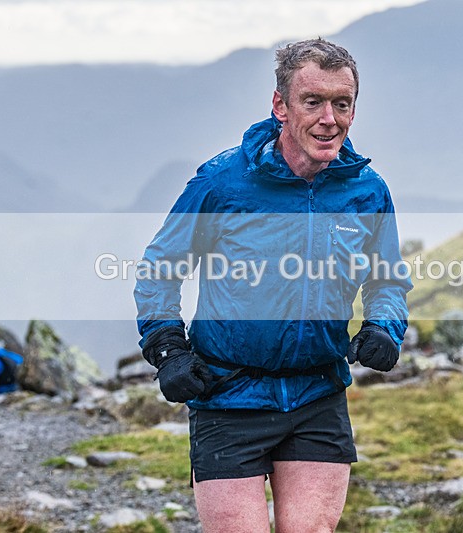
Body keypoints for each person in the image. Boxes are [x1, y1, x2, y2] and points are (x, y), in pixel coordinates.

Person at [133, 38, 411, 532]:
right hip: (227, 393)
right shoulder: (222, 183)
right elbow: (160, 267)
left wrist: (385, 328)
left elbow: (387, 277)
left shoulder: (368, 191)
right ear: (280, 105)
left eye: (341, 104)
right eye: (313, 102)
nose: (330, 118)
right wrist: (166, 348)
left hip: (317, 393)